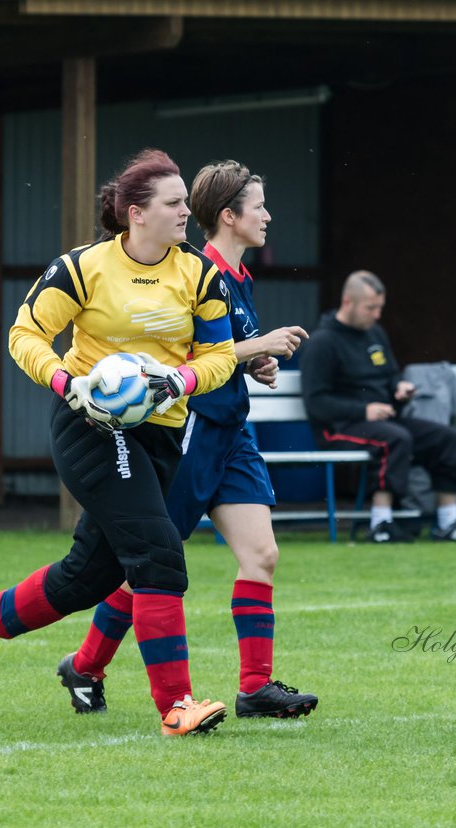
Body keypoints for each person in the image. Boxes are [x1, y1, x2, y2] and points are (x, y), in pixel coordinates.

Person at [0, 149, 240, 737]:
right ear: (137, 213)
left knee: (88, 576)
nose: (188, 211)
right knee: (158, 553)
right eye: (175, 202)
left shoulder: (199, 274)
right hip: (91, 425)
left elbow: (221, 356)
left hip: (159, 433)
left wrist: (181, 379)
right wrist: (68, 380)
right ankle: (176, 705)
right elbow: (24, 334)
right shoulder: (81, 268)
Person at [55, 159, 319, 720]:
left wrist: (255, 362)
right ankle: (86, 665)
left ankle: (256, 687)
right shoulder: (199, 271)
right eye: (259, 206)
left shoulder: (237, 276)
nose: (269, 216)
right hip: (193, 428)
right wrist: (254, 349)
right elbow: (183, 358)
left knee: (262, 554)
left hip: (232, 432)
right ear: (229, 216)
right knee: (152, 562)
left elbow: (225, 353)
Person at [302, 271, 456, 544]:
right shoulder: (322, 342)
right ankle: (381, 523)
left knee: (446, 438)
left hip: (385, 422)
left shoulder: (375, 334)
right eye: (371, 308)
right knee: (394, 439)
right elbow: (316, 402)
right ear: (348, 302)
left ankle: (449, 522)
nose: (377, 314)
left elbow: (390, 375)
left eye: (380, 307)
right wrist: (363, 411)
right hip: (339, 428)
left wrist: (399, 388)